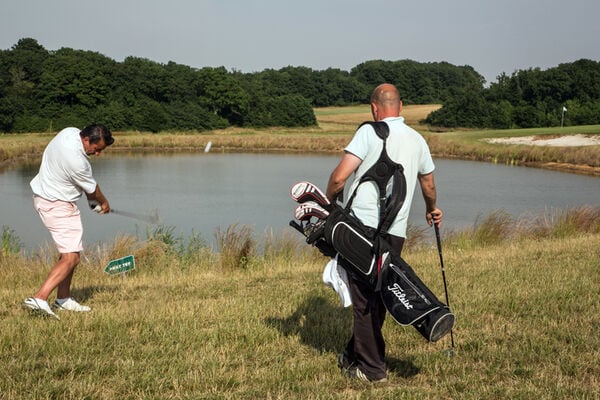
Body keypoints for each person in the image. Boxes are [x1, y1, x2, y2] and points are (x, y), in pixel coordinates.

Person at [325, 83, 443, 382]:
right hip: (395, 233)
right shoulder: (418, 140)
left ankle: (372, 370)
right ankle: (353, 355)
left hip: (360, 232)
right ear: (400, 106)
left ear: (374, 108)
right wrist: (432, 209)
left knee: (364, 300)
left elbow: (339, 177)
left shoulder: (369, 131)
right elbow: (428, 184)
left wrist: (329, 205)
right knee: (378, 293)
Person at [23, 124, 114, 320]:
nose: (97, 154)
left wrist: (91, 202)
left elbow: (85, 188)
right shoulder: (78, 161)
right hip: (57, 205)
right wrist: (104, 203)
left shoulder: (69, 132)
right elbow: (92, 188)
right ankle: (40, 297)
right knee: (72, 258)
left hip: (49, 198)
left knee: (69, 253)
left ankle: (63, 299)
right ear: (87, 140)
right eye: (97, 149)